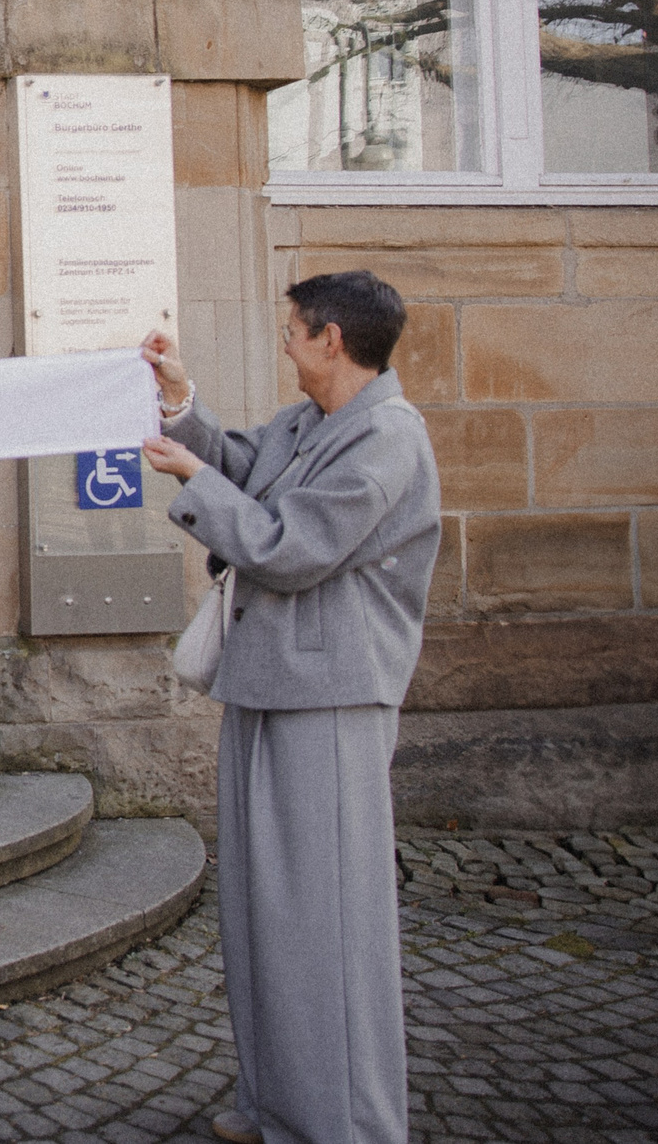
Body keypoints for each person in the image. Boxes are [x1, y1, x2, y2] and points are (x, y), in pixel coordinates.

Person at [138, 270, 439, 1144]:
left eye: (293, 328)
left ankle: (347, 1124)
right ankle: (283, 1108)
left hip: (332, 696)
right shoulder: (316, 420)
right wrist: (182, 402)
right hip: (270, 682)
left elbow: (287, 543)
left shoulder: (387, 437)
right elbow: (245, 464)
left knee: (326, 921)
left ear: (331, 340)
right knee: (265, 913)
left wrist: (193, 476)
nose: (285, 339)